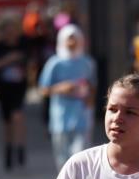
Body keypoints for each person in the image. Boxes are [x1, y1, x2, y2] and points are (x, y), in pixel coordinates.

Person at [38, 24, 97, 171]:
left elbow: (92, 86)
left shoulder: (87, 62)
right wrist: (61, 88)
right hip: (60, 116)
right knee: (62, 157)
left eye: (74, 39)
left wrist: (90, 104)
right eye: (68, 39)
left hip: (81, 115)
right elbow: (43, 89)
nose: (71, 43)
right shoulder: (54, 63)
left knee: (80, 155)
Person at [0, 15, 29, 170]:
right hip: (3, 88)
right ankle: (8, 149)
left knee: (17, 116)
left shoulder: (23, 43)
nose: (11, 33)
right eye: (7, 30)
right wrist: (9, 59)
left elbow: (28, 61)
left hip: (19, 87)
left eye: (13, 29)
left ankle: (20, 148)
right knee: (7, 122)